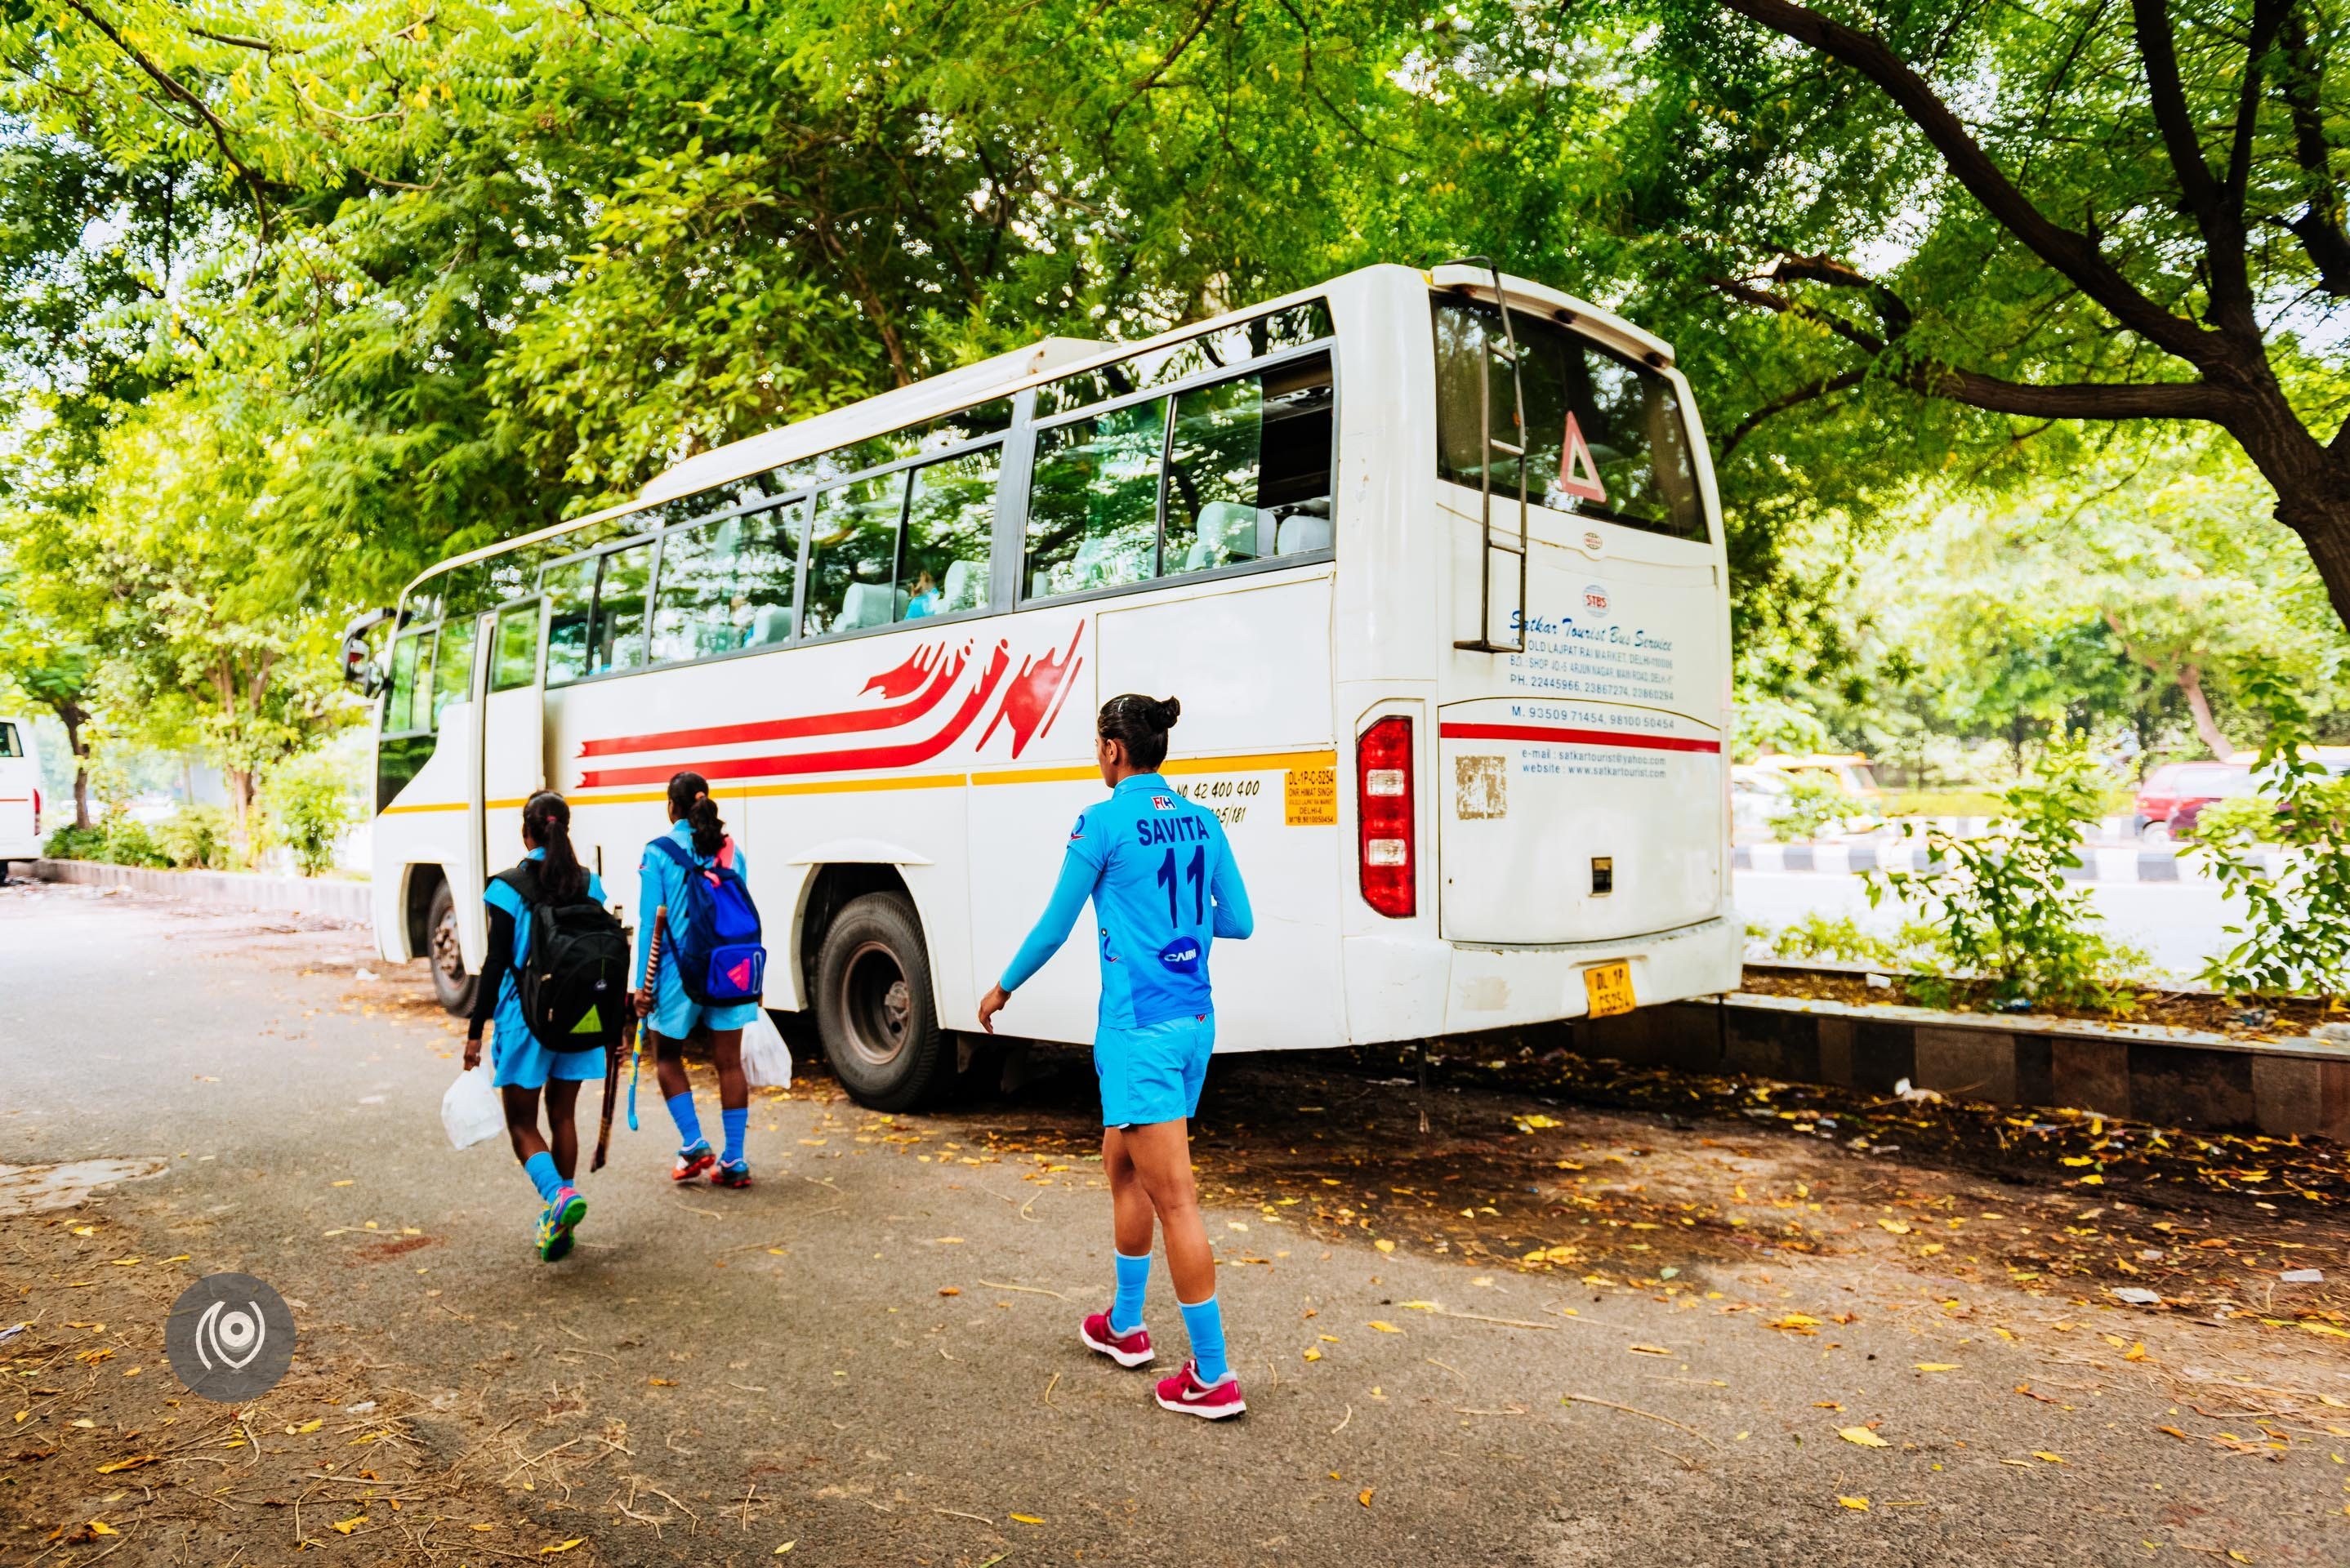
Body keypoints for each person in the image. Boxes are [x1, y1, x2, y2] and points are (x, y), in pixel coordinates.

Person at [979, 694, 1255, 1419]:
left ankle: (1213, 1376)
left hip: (1139, 1032)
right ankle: (1124, 1326)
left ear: (1111, 749)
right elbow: (1240, 921)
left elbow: (1053, 925)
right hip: (1194, 1021)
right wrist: (1178, 929)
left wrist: (1002, 988)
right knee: (1122, 1162)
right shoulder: (1202, 820)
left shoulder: (1100, 823)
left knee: (1177, 1200)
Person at [465, 793, 610, 1263]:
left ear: (526, 833)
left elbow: (495, 964)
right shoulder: (591, 885)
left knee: (522, 1123)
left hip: (526, 1018)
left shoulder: (508, 888)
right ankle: (561, 1222)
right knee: (563, 1116)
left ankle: (559, 1199)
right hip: (581, 1015)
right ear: (565, 829)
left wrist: (474, 1031)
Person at [636, 771, 761, 1187]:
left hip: (678, 973)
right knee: (729, 1062)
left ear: (672, 807)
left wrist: (642, 986)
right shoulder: (730, 849)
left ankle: (693, 1143)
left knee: (668, 1056)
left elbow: (649, 922)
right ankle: (735, 1160)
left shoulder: (658, 852)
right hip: (730, 968)